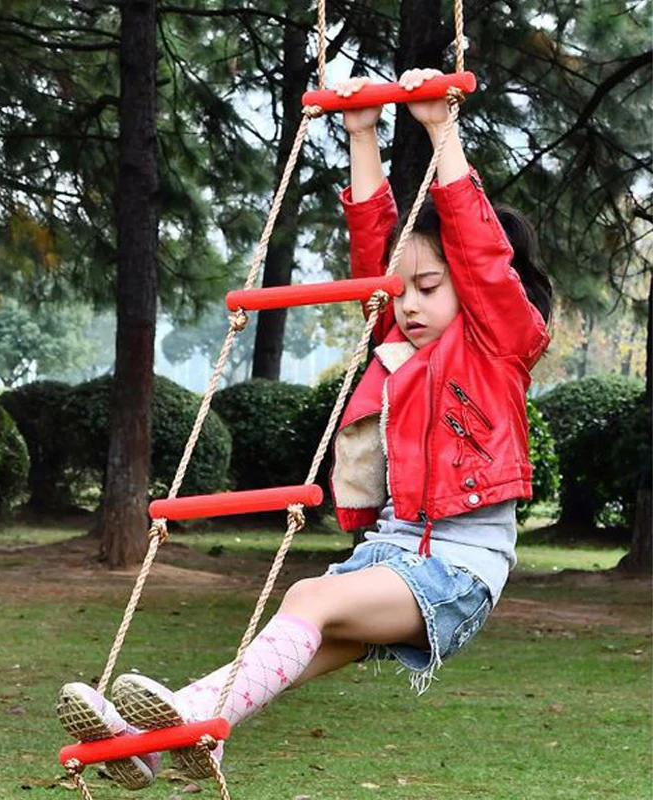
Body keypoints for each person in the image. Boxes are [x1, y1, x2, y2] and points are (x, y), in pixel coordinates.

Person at [56, 67, 554, 790]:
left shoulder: (499, 344)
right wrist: (360, 134)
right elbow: (370, 255)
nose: (407, 304)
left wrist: (441, 131)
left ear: (468, 291)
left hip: (456, 569)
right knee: (281, 645)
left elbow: (481, 256)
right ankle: (159, 740)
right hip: (388, 556)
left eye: (428, 287)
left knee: (306, 600)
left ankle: (178, 734)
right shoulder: (397, 341)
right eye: (401, 290)